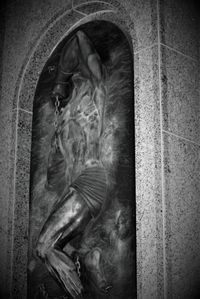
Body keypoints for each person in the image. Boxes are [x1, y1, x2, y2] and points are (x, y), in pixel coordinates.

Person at [36, 30, 110, 298]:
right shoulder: (67, 115)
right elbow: (52, 178)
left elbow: (80, 37)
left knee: (44, 247)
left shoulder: (99, 90)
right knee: (62, 250)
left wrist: (59, 82)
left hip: (91, 182)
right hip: (80, 187)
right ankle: (90, 261)